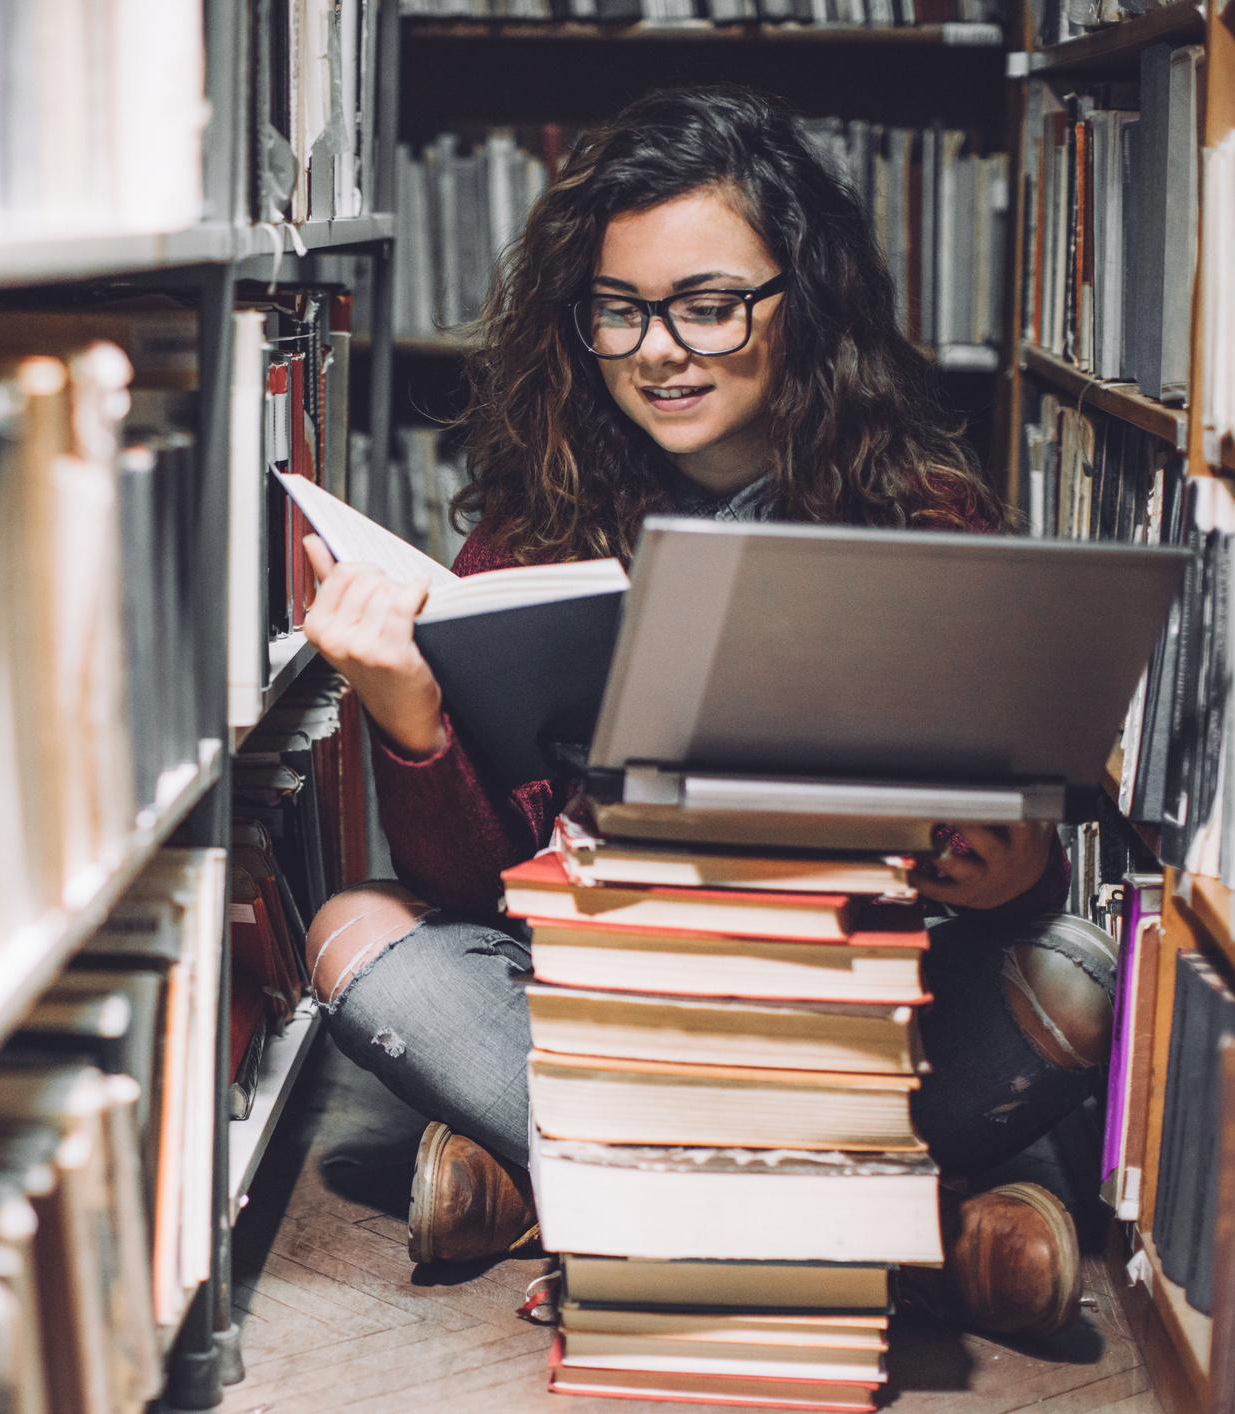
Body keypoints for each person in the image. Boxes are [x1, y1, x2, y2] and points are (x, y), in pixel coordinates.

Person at [298, 85, 1116, 1338]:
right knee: (358, 932)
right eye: (619, 311)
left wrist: (1000, 870)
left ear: (807, 300)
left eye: (709, 304)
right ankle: (920, 1229)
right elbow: (472, 884)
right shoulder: (533, 529)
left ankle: (570, 1189)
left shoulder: (926, 517)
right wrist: (410, 716)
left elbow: (1003, 862)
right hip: (624, 1008)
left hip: (843, 1012)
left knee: (1080, 975)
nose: (660, 349)